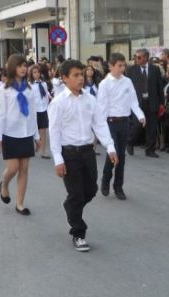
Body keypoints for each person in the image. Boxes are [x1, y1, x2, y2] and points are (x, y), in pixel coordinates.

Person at [48, 60, 118, 252]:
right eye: (76, 75)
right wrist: (58, 160)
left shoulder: (90, 99)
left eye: (82, 75)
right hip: (68, 153)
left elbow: (100, 124)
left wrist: (110, 146)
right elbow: (54, 133)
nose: (81, 78)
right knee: (77, 193)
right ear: (64, 78)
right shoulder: (58, 103)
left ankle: (70, 205)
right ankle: (78, 232)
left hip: (87, 151)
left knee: (91, 190)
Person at [0, 54, 40, 216]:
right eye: (20, 65)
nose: (23, 68)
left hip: (26, 132)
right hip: (9, 133)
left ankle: (20, 203)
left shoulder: (29, 88)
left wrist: (36, 136)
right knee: (13, 168)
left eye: (25, 65)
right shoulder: (4, 89)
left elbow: (32, 113)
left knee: (24, 169)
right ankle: (4, 184)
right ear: (13, 68)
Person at [96, 53, 145, 200]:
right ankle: (106, 180)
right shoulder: (104, 84)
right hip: (110, 123)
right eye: (119, 66)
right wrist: (100, 127)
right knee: (114, 154)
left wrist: (140, 115)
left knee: (121, 156)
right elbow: (101, 107)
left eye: (124, 66)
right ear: (111, 66)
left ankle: (118, 187)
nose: (122, 69)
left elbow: (133, 102)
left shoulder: (127, 82)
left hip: (124, 122)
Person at [126, 48, 164, 158]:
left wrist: (161, 102)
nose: (136, 59)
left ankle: (150, 150)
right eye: (135, 57)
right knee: (137, 125)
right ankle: (130, 142)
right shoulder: (131, 70)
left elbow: (159, 86)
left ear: (146, 57)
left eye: (139, 57)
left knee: (152, 127)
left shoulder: (155, 69)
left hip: (152, 102)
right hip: (137, 103)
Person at [29, 64, 52, 159]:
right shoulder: (30, 85)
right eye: (34, 72)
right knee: (34, 130)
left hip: (43, 109)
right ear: (31, 74)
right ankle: (34, 145)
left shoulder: (44, 84)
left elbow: (46, 95)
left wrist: (48, 107)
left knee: (43, 130)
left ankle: (43, 151)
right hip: (34, 110)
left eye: (38, 72)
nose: (36, 74)